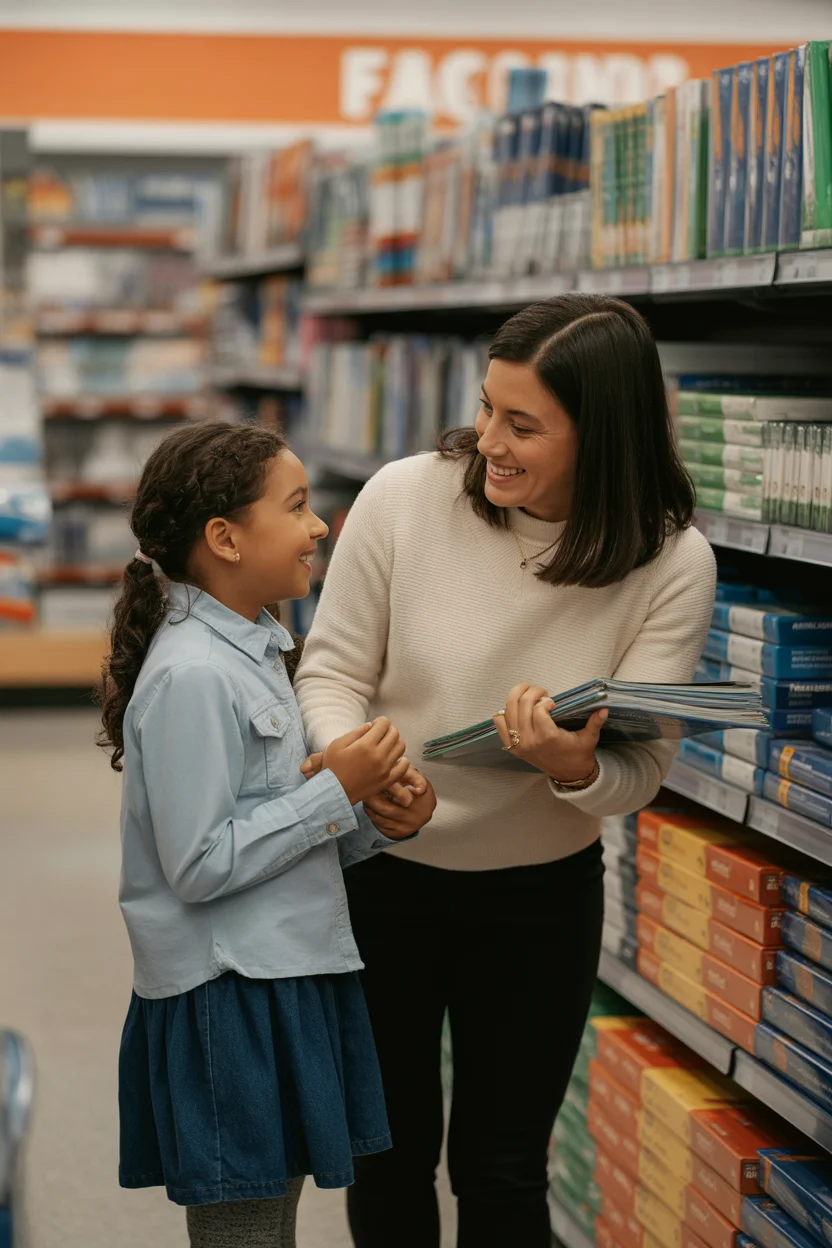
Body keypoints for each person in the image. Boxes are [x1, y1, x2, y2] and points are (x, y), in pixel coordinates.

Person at [294, 294, 717, 1248]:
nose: (489, 441)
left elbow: (641, 767)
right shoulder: (405, 498)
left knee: (502, 1170)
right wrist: (356, 769)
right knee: (390, 1155)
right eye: (487, 408)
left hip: (540, 902)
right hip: (382, 880)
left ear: (601, 435)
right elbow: (330, 670)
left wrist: (574, 769)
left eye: (522, 424)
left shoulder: (671, 561)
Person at [97, 421, 436, 1248]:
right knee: (245, 1230)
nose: (320, 527)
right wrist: (336, 791)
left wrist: (371, 818)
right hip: (228, 994)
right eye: (296, 507)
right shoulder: (192, 675)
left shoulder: (252, 648)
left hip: (278, 974)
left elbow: (265, 824)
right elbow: (201, 863)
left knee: (269, 1217)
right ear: (225, 539)